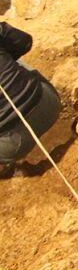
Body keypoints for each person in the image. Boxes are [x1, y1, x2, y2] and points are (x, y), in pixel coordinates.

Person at [0, 22, 62, 177]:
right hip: (49, 103)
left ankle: (5, 168)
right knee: (14, 59)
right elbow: (25, 42)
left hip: (14, 144)